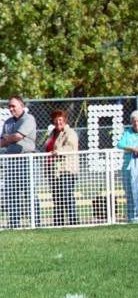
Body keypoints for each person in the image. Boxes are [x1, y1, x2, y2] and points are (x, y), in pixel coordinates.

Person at [1, 96, 41, 228]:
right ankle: (14, 224)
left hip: (26, 159)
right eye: (10, 106)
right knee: (11, 193)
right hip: (11, 161)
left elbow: (18, 136)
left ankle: (35, 223)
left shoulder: (29, 119)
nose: (11, 109)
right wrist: (9, 138)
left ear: (22, 106)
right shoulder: (8, 122)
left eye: (14, 106)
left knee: (29, 192)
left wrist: (9, 137)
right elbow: (2, 141)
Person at [45, 110, 79, 226]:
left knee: (66, 195)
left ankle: (73, 222)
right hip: (53, 171)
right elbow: (48, 147)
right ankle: (58, 223)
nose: (58, 122)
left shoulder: (70, 133)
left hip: (66, 169)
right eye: (55, 120)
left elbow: (70, 146)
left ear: (64, 120)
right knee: (57, 198)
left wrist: (59, 151)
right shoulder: (52, 133)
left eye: (60, 119)